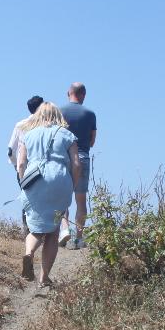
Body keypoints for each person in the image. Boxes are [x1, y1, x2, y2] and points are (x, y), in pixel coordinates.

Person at [16, 102, 81, 289]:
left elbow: (21, 164)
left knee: (35, 228)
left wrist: (24, 183)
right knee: (52, 231)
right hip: (60, 179)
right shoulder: (67, 135)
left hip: (35, 179)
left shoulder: (28, 135)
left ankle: (29, 253)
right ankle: (44, 278)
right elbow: (76, 164)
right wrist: (72, 184)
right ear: (57, 115)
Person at [58, 82, 97, 249]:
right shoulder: (90, 114)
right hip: (82, 158)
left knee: (61, 198)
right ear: (83, 95)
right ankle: (79, 238)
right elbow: (92, 141)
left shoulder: (59, 112)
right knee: (81, 200)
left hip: (62, 157)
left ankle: (64, 229)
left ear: (69, 93)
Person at [7, 95, 45, 236]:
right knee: (43, 197)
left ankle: (27, 229)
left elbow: (10, 151)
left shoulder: (20, 125)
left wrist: (16, 165)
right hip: (41, 167)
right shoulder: (45, 125)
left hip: (23, 167)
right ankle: (43, 230)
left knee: (27, 197)